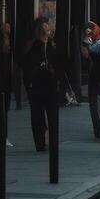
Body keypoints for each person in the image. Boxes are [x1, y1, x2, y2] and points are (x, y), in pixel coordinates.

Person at [21, 18, 59, 151]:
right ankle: (40, 143)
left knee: (52, 116)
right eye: (43, 32)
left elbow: (58, 63)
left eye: (47, 31)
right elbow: (27, 65)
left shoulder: (52, 46)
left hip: (50, 86)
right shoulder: (33, 47)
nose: (45, 35)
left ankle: (51, 141)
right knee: (37, 117)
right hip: (37, 86)